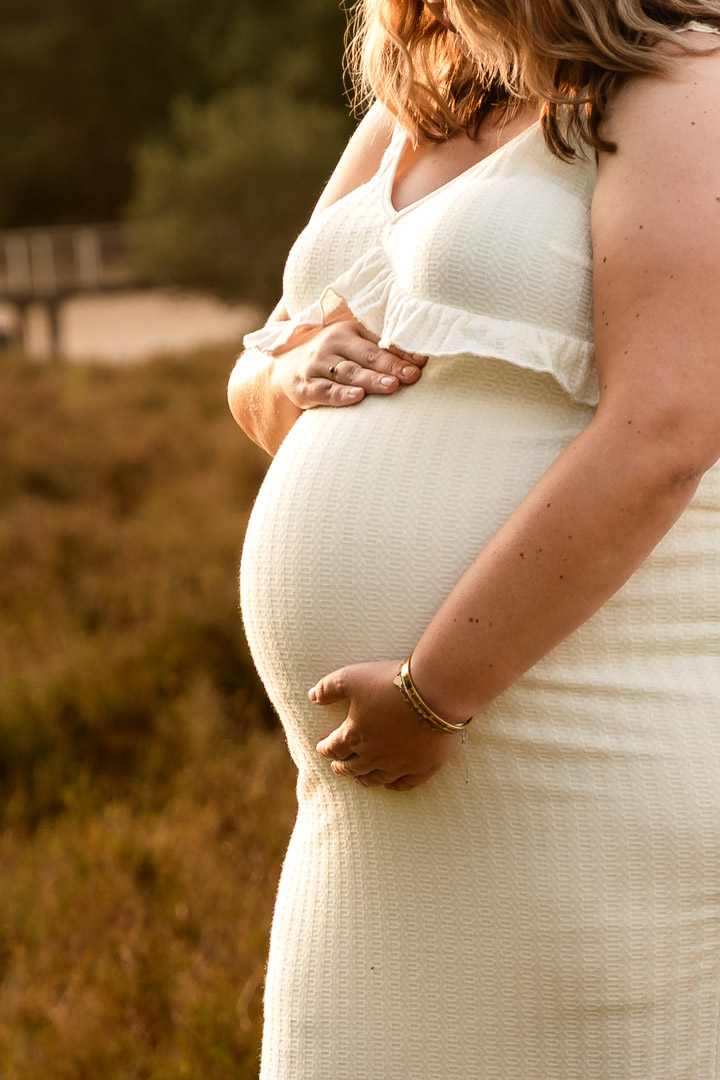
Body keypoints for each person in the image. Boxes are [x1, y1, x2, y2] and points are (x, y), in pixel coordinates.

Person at [228, 2, 720, 1076]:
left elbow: (666, 429)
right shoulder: (415, 108)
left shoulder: (686, 88)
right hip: (364, 811)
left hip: (574, 761)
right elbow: (268, 371)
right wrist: (283, 375)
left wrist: (432, 690)